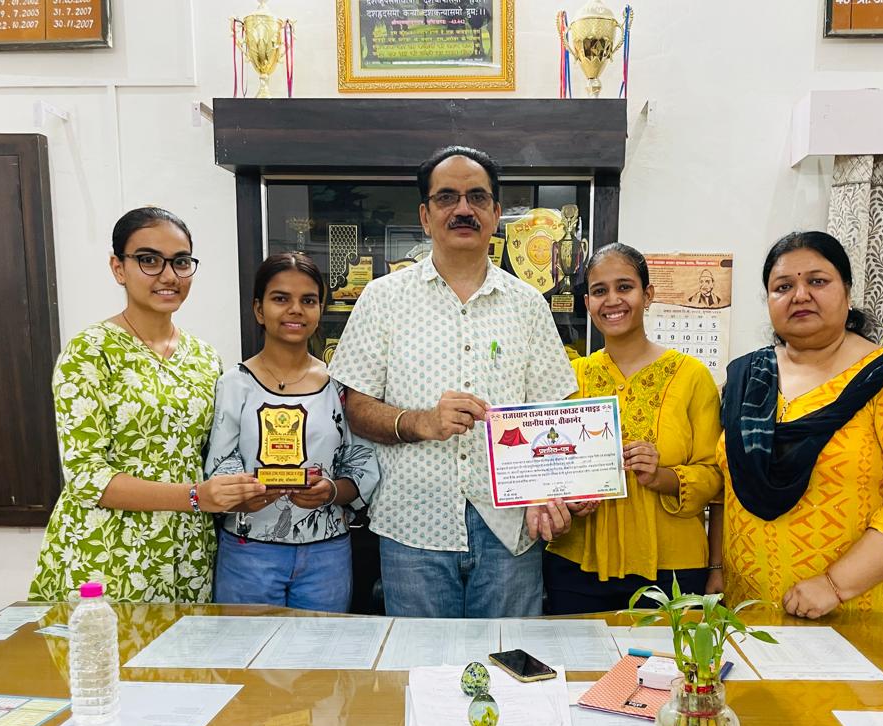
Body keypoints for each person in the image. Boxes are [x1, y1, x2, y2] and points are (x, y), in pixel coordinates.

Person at [328, 145, 577, 618]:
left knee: (508, 657)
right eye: (447, 198)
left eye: (477, 197)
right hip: (412, 527)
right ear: (425, 216)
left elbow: (554, 415)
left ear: (496, 214)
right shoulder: (382, 299)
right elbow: (354, 407)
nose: (463, 209)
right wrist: (420, 422)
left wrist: (549, 493)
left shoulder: (528, 305)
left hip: (510, 529)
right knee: (421, 661)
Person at [709, 231, 883, 627]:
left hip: (859, 609)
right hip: (749, 608)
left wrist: (835, 585)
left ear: (848, 293)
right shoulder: (747, 378)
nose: (800, 295)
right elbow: (725, 485)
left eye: (817, 281)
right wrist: (716, 568)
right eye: (783, 287)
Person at [28, 207, 266, 603]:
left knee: (186, 646)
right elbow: (86, 476)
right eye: (149, 260)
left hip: (188, 555)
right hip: (108, 554)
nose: (169, 276)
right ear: (118, 268)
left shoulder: (204, 357)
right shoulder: (90, 352)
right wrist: (194, 496)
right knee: (106, 645)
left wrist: (244, 489)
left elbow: (211, 456)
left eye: (181, 262)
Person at [544, 243, 722, 614]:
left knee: (665, 656)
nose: (612, 300)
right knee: (579, 654)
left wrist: (662, 477)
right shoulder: (570, 378)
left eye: (624, 287)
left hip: (672, 569)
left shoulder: (692, 377)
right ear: (588, 303)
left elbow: (714, 477)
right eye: (599, 291)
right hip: (577, 566)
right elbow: (550, 466)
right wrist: (568, 497)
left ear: (648, 294)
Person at [205, 253, 379, 612]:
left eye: (308, 300)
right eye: (281, 298)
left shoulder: (339, 386)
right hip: (248, 552)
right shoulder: (234, 384)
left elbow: (361, 467)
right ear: (259, 309)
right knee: (245, 647)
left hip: (326, 555)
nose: (295, 310)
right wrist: (244, 496)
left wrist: (331, 491)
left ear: (320, 310)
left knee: (321, 647)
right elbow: (220, 464)